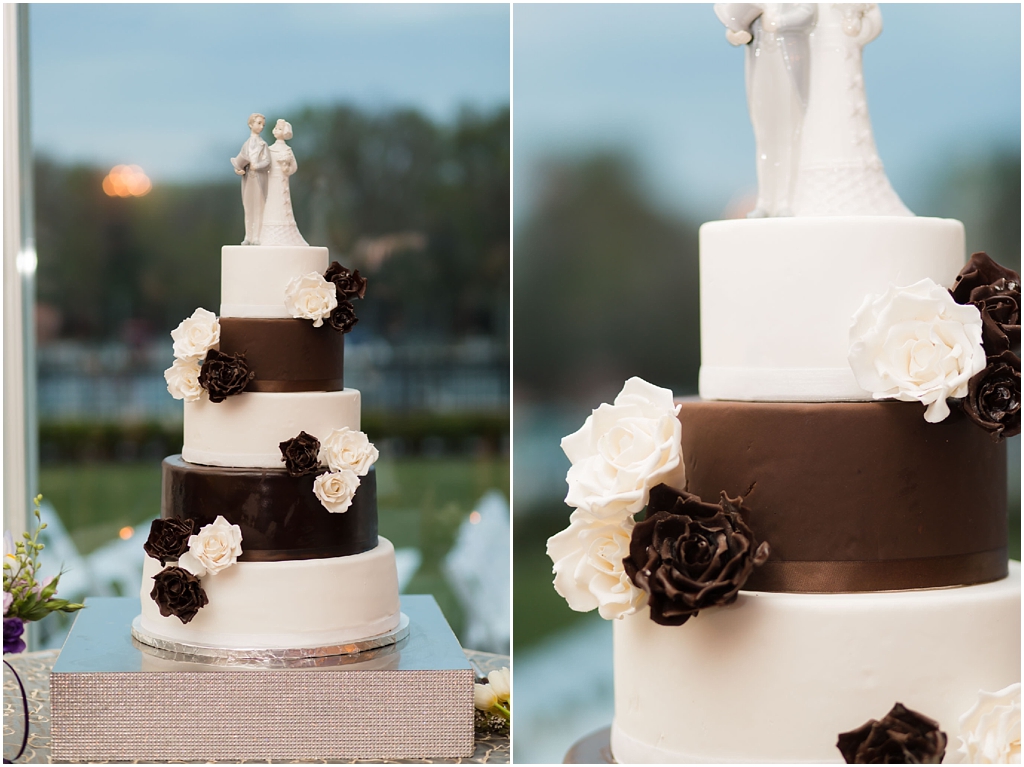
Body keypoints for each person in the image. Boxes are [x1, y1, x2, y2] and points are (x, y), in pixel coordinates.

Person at [715, 3, 817, 218]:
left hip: (789, 62)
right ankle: (765, 199)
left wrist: (778, 22)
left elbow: (807, 13)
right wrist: (736, 32)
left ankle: (785, 200)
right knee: (765, 138)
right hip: (762, 64)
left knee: (790, 135)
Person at [259, 119, 308, 246]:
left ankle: (285, 232)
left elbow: (294, 167)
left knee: (282, 204)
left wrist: (286, 168)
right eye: (276, 128)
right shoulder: (269, 149)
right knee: (270, 204)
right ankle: (267, 232)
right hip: (271, 181)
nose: (276, 130)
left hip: (281, 182)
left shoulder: (287, 150)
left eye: (280, 129)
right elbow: (263, 165)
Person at [230, 113, 271, 245]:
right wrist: (238, 170)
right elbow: (238, 161)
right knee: (248, 208)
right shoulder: (246, 145)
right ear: (250, 124)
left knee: (259, 208)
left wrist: (257, 166)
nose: (261, 127)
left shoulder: (263, 145)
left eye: (263, 124)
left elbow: (268, 162)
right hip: (248, 180)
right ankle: (248, 236)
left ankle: (257, 236)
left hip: (259, 179)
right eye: (258, 123)